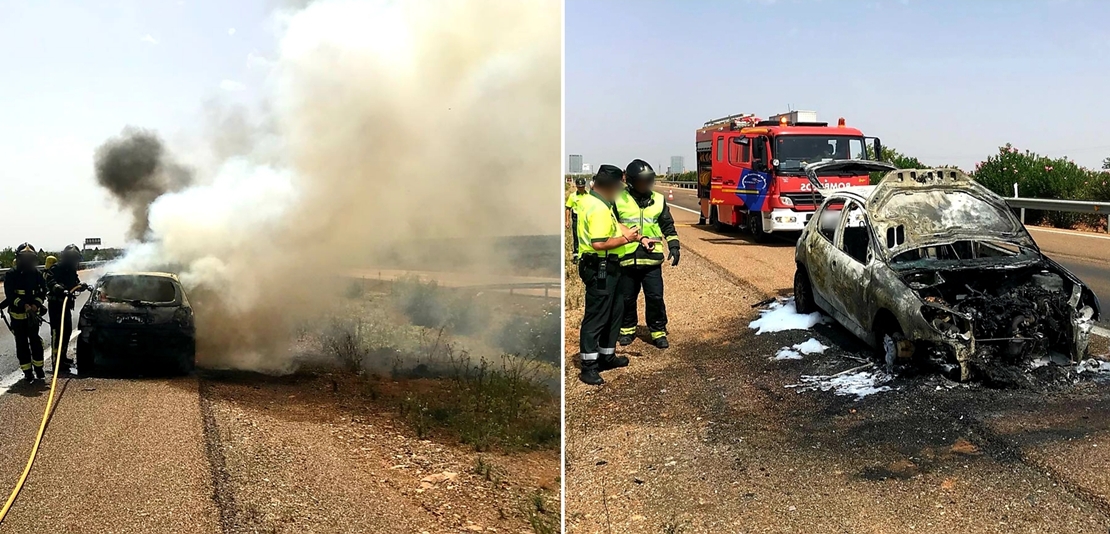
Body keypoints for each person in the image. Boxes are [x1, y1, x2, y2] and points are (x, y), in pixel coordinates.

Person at [576, 164, 649, 385]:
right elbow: (599, 243)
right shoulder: (597, 208)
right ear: (609, 186)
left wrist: (637, 237)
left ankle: (606, 355)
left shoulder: (598, 202)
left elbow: (615, 225)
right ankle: (589, 366)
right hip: (600, 267)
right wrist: (627, 240)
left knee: (615, 311)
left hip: (610, 267)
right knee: (597, 316)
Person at [614, 159, 680, 350]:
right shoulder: (618, 199)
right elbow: (612, 224)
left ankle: (658, 331)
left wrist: (674, 246)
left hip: (651, 259)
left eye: (648, 180)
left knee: (655, 297)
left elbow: (667, 224)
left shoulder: (658, 199)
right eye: (642, 181)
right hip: (626, 258)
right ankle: (627, 329)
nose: (646, 185)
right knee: (626, 298)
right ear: (632, 182)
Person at [5, 243, 48, 384]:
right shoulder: (11, 274)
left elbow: (43, 291)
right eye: (25, 258)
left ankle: (39, 368)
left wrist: (36, 305)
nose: (27, 261)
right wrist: (24, 305)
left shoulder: (37, 274)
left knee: (36, 341)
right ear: (19, 258)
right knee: (21, 343)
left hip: (33, 316)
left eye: (30, 258)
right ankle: (27, 372)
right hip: (17, 316)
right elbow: (10, 295)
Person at [45, 244, 87, 375]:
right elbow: (50, 282)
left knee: (67, 331)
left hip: (66, 305)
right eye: (72, 258)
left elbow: (75, 283)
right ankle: (56, 361)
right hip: (57, 306)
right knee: (58, 333)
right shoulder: (56, 268)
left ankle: (62, 358)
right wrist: (60, 289)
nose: (74, 261)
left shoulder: (71, 270)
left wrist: (81, 286)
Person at [565, 176, 589, 264]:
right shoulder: (572, 196)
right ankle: (576, 255)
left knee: (586, 236)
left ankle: (585, 254)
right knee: (576, 237)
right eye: (579, 187)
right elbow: (568, 208)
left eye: (582, 186)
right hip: (576, 218)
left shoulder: (589, 195)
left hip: (586, 218)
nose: (581, 188)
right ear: (576, 186)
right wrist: (567, 221)